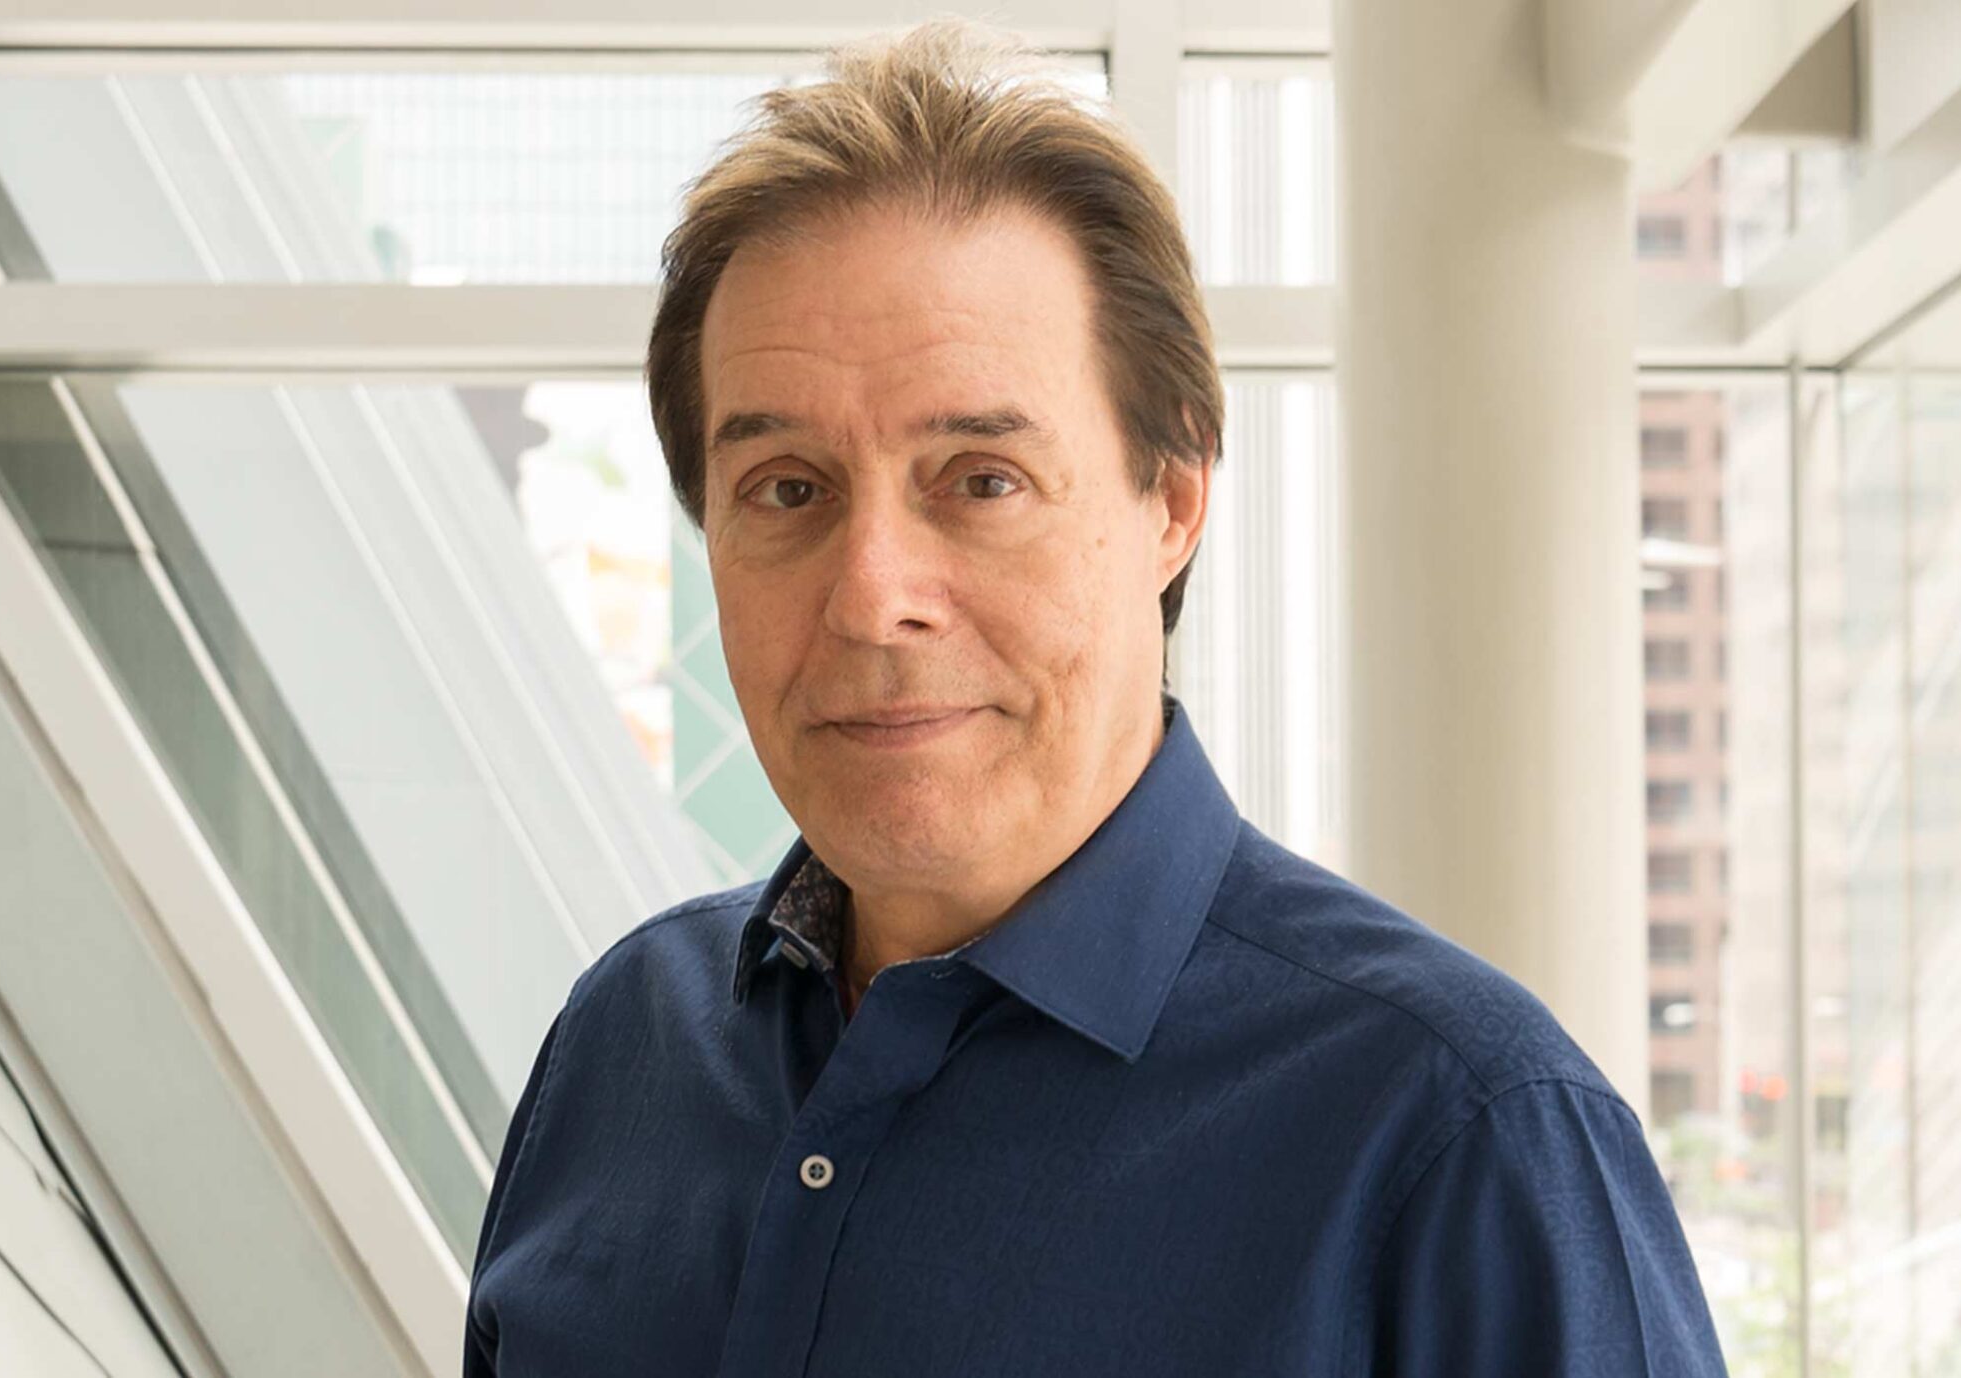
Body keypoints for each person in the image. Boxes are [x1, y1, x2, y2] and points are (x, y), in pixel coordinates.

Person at [464, 19, 1727, 1376]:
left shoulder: (1464, 1138)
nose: (873, 596)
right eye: (787, 489)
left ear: (1170, 503)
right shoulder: (623, 1046)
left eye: (982, 480)